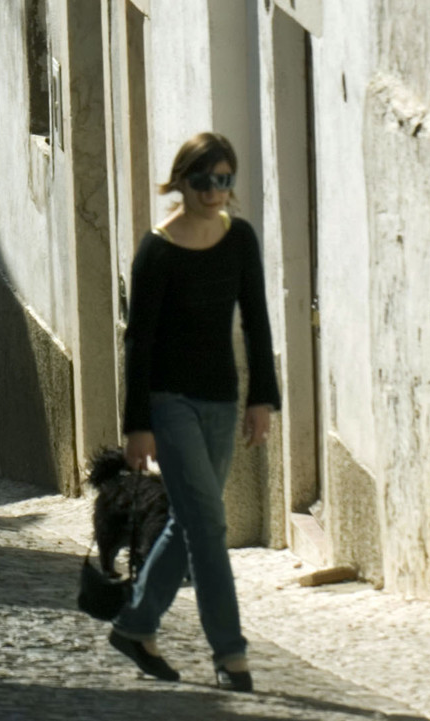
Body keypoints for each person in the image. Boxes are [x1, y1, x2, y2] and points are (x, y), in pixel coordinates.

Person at [108, 131, 278, 693]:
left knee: (189, 521)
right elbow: (141, 342)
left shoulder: (240, 240)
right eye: (205, 180)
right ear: (182, 181)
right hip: (170, 403)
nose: (216, 191)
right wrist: (137, 425)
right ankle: (231, 654)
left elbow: (256, 320)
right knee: (208, 526)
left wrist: (262, 398)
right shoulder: (156, 250)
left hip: (221, 402)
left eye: (225, 180)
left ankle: (136, 625)